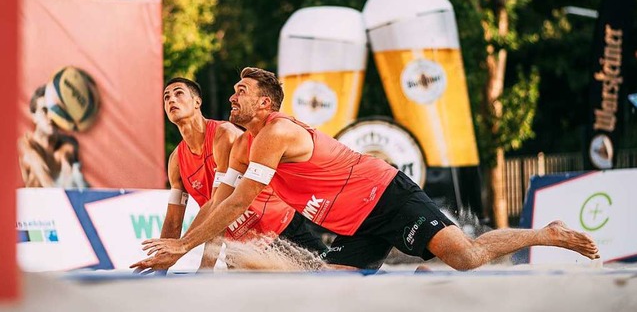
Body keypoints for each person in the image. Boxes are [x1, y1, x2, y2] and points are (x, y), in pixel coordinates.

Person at [132, 68, 599, 272]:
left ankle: (548, 233)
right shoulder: (239, 149)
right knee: (332, 292)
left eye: (240, 89)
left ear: (265, 102)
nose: (231, 96)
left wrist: (182, 245)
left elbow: (237, 201)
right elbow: (218, 202)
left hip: (387, 197)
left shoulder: (274, 132)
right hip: (353, 224)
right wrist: (181, 249)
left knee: (467, 258)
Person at [139, 77, 326, 272]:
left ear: (197, 102)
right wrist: (159, 267)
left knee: (333, 280)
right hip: (242, 249)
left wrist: (205, 266)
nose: (171, 100)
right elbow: (173, 221)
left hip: (281, 229)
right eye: (166, 97)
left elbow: (221, 202)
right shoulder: (176, 160)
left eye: (178, 93)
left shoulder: (224, 135)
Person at [18, 85, 88, 188]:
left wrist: (65, 158)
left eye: (55, 111)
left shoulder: (68, 143)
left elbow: (68, 151)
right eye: (44, 110)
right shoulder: (26, 144)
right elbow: (32, 159)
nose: (50, 117)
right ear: (34, 117)